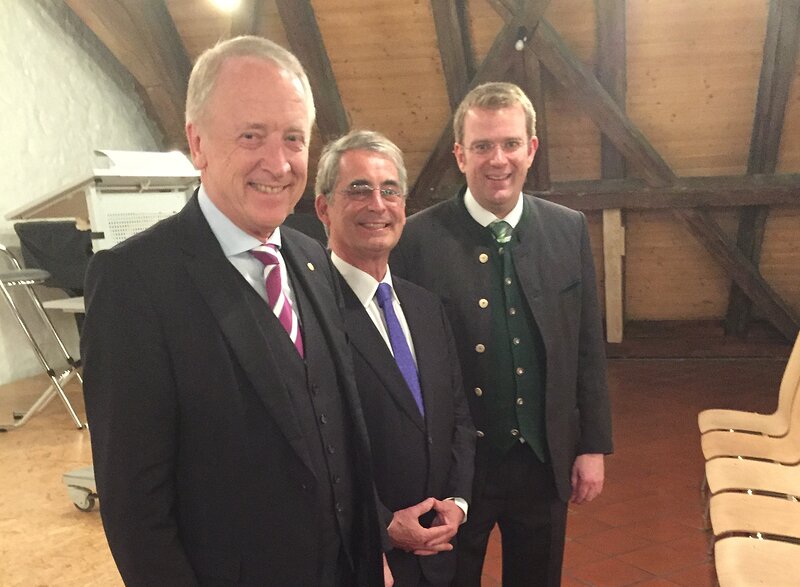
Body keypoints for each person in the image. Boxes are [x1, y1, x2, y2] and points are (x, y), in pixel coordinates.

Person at [81, 36, 385, 586]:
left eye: (294, 138)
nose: (278, 162)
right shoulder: (136, 283)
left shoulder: (311, 256)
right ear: (197, 143)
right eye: (252, 135)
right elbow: (136, 511)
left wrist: (371, 546)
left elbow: (335, 429)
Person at [391, 82, 613, 586]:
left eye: (511, 143)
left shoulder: (568, 229)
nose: (498, 159)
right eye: (482, 146)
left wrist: (591, 445)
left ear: (531, 149)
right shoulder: (417, 240)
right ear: (460, 155)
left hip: (543, 459)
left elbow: (585, 347)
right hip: (454, 470)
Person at [314, 130, 476, 586]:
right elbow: (318, 448)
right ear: (323, 207)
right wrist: (382, 524)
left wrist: (458, 504)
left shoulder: (426, 305)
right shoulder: (311, 312)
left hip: (439, 543)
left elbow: (458, 414)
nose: (378, 205)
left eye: (390, 191)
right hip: (365, 555)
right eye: (358, 190)